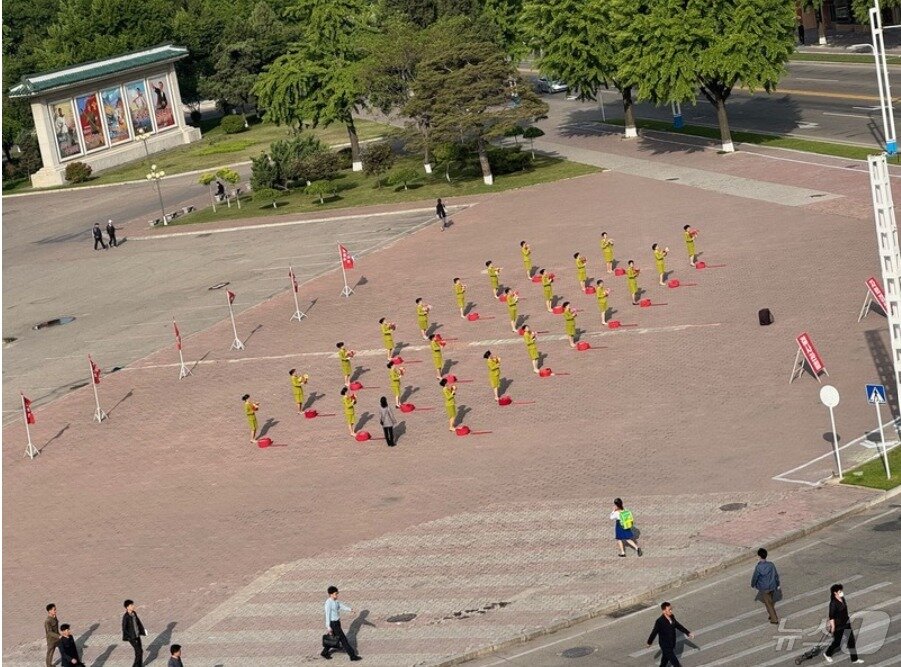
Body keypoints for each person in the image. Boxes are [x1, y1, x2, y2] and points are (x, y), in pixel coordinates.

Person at [824, 583, 864, 664]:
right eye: (839, 591)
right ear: (835, 593)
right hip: (838, 626)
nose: (841, 592)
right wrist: (833, 627)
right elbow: (831, 617)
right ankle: (827, 654)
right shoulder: (833, 603)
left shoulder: (842, 598)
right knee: (837, 642)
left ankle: (854, 659)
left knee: (851, 641)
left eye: (841, 590)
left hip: (846, 623)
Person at [647, 602, 693, 667]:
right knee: (676, 663)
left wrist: (688, 633)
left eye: (671, 609)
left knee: (664, 661)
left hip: (671, 643)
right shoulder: (659, 621)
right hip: (665, 645)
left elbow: (678, 625)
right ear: (664, 611)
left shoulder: (672, 617)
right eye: (669, 610)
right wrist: (649, 642)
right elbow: (654, 632)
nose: (671, 611)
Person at [322, 586, 361, 661]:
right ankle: (352, 656)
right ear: (331, 594)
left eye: (337, 593)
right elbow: (327, 615)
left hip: (337, 623)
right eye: (335, 594)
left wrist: (350, 609)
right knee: (343, 640)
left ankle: (324, 652)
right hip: (333, 624)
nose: (337, 595)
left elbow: (341, 606)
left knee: (332, 638)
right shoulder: (328, 603)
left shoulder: (335, 601)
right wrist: (328, 627)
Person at [751, 547, 780, 624]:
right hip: (772, 586)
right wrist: (777, 584)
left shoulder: (758, 567)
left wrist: (753, 584)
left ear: (759, 556)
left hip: (764, 587)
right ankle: (771, 613)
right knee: (770, 601)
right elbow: (776, 575)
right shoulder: (771, 565)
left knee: (768, 603)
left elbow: (755, 577)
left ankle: (774, 619)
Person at [121, 599, 147, 667]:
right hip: (132, 637)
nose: (133, 606)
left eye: (133, 605)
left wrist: (142, 630)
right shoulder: (126, 617)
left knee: (139, 651)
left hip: (137, 635)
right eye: (131, 605)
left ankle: (139, 665)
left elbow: (138, 622)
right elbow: (124, 628)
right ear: (127, 607)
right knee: (139, 651)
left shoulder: (134, 613)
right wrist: (129, 637)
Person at [45, 603, 60, 667]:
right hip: (51, 640)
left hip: (57, 638)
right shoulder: (47, 621)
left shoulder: (54, 617)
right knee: (50, 653)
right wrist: (59, 636)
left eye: (55, 609)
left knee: (64, 648)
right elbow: (49, 632)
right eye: (54, 610)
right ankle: (49, 665)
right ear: (49, 611)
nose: (56, 611)